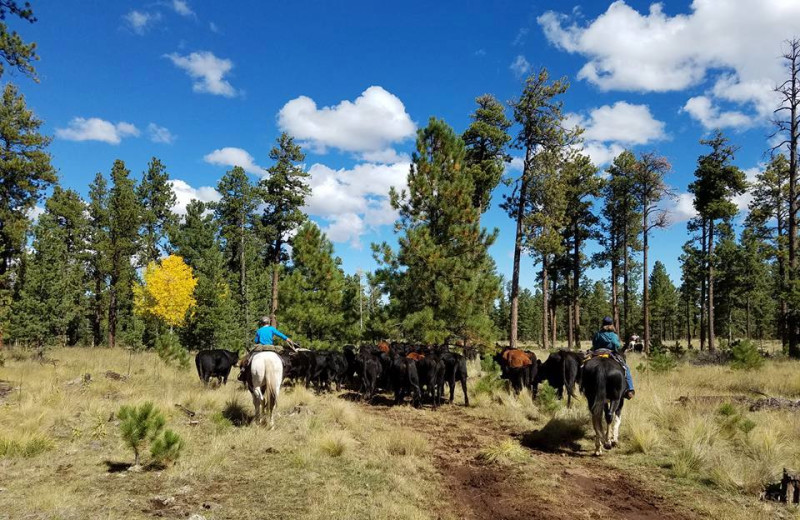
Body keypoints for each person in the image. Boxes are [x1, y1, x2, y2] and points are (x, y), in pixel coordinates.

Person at [238, 316, 296, 382]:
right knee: (282, 358)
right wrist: (287, 339)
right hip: (271, 347)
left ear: (262, 323)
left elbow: (256, 341)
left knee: (248, 358)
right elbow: (280, 334)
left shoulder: (259, 330)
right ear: (269, 322)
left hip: (261, 347)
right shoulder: (271, 329)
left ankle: (243, 371)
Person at [590, 316, 635, 399]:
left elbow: (594, 344)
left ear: (602, 324)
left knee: (584, 365)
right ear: (611, 325)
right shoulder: (613, 335)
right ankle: (630, 389)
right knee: (626, 368)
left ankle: (584, 386)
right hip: (611, 353)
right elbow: (617, 345)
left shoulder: (597, 334)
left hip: (597, 353)